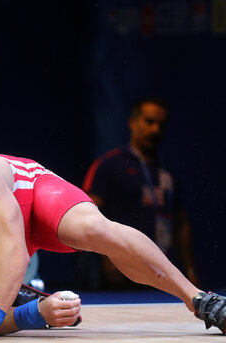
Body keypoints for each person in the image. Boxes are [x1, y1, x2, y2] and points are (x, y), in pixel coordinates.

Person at [0, 153, 226, 342]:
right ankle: (25, 301)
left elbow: (13, 253)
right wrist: (37, 315)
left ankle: (198, 299)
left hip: (33, 204)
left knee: (95, 230)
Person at [82, 97, 199, 288]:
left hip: (158, 270)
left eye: (161, 124)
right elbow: (87, 215)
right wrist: (107, 256)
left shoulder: (168, 170)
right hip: (119, 269)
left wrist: (190, 271)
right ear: (132, 122)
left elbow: (180, 223)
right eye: (149, 122)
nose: (155, 130)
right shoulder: (109, 165)